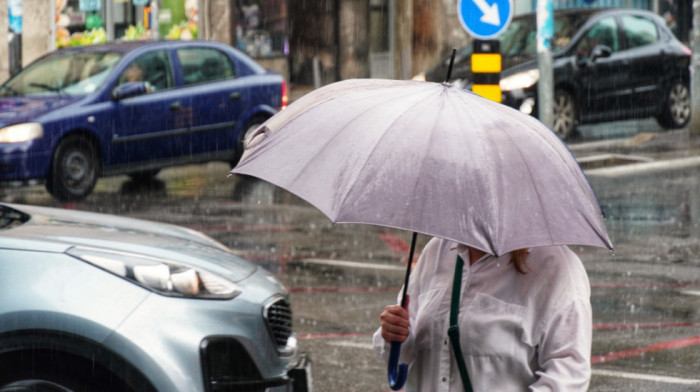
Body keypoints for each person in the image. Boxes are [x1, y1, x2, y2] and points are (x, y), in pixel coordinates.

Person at [373, 237, 592, 391]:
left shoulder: (555, 266)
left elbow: (569, 371)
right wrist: (396, 334)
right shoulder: (438, 251)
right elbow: (405, 350)